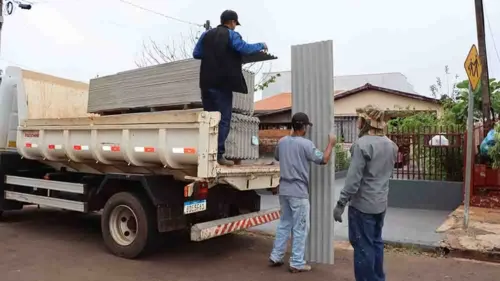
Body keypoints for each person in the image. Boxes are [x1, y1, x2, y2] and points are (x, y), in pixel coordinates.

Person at [192, 10, 267, 166]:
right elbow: (244, 48)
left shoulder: (206, 35)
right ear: (232, 22)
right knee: (223, 119)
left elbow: (197, 53)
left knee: (208, 119)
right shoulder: (232, 35)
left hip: (206, 83)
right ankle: (218, 154)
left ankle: (206, 153)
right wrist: (261, 45)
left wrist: (212, 53)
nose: (235, 27)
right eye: (235, 24)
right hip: (223, 83)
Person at [333, 105, 398, 281]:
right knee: (376, 243)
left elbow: (353, 181)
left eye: (358, 119)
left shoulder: (361, 145)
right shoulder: (391, 146)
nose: (357, 122)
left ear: (365, 122)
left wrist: (340, 204)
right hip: (380, 204)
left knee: (363, 248)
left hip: (362, 207)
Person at [269, 112, 336, 273]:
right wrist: (331, 144)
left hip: (284, 189)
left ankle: (276, 256)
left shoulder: (283, 141)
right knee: (300, 227)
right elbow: (324, 159)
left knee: (285, 223)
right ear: (304, 127)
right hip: (298, 192)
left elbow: (277, 157)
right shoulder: (306, 144)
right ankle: (297, 262)